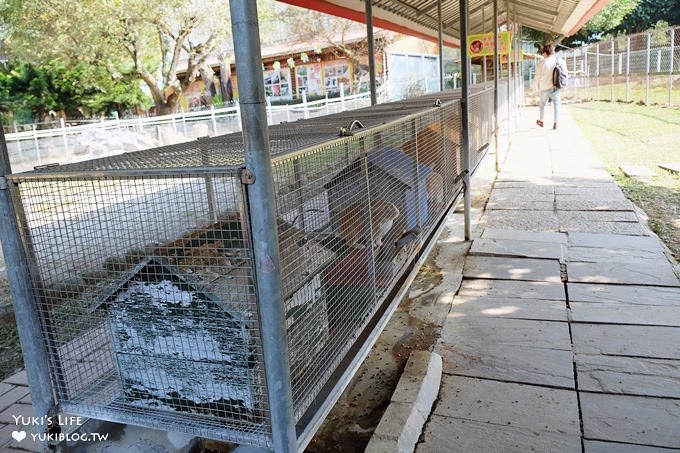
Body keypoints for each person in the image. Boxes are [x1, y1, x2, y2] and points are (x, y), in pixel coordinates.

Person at [533, 43, 560, 130]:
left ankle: (541, 121)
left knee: (542, 105)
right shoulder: (557, 60)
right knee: (556, 105)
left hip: (544, 87)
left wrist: (534, 88)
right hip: (556, 87)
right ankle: (556, 123)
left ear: (545, 53)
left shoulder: (541, 63)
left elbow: (537, 77)